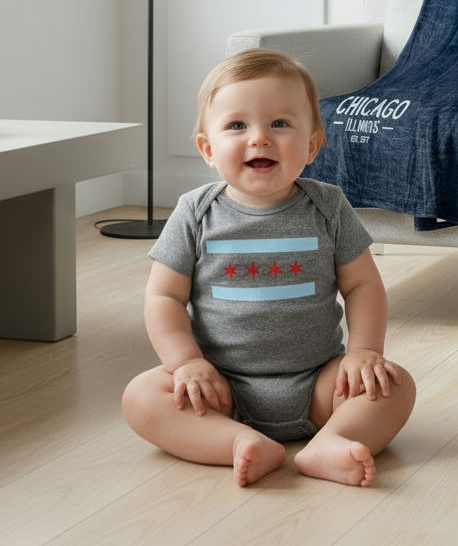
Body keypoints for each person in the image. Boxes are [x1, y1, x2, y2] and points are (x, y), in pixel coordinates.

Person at [122, 49, 415, 488]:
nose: (259, 138)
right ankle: (237, 442)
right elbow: (163, 297)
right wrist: (185, 363)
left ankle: (332, 441)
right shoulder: (194, 213)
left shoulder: (328, 206)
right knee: (142, 397)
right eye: (237, 125)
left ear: (313, 144)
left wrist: (363, 352)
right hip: (220, 390)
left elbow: (363, 285)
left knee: (395, 384)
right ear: (207, 148)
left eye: (280, 123)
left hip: (319, 384)